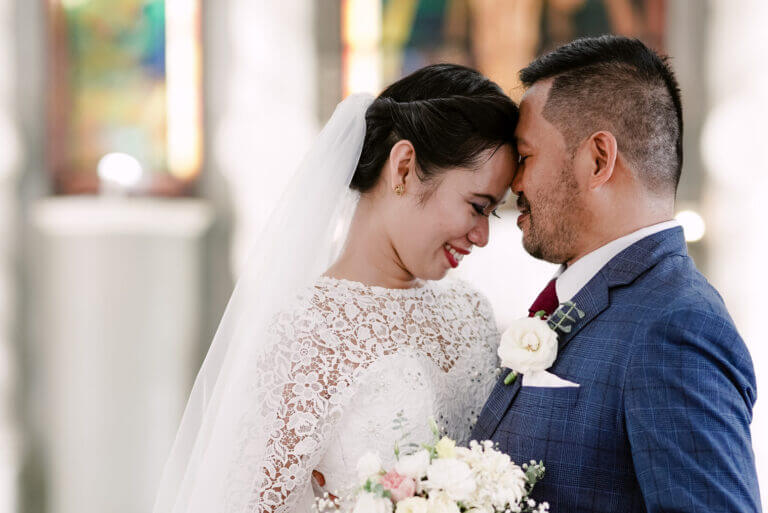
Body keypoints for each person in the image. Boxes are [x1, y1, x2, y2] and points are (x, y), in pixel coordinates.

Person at [152, 64, 519, 513]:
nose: (481, 236)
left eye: (493, 214)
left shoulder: (470, 311)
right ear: (403, 166)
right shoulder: (307, 330)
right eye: (477, 207)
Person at [472, 35, 760, 512]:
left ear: (598, 159)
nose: (514, 184)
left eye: (525, 157)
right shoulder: (597, 301)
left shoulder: (677, 327)